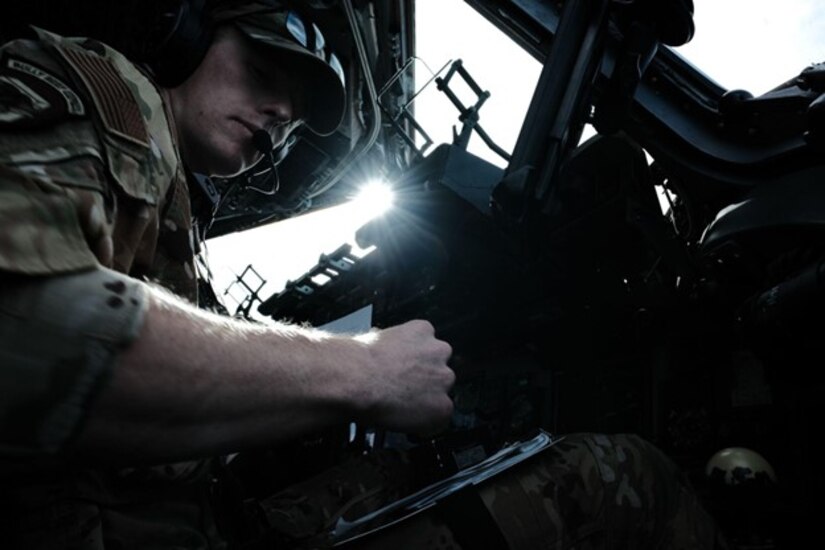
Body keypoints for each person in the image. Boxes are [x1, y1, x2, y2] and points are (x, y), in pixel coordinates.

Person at [0, 1, 725, 548]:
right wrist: (363, 371)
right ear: (185, 28)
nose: (284, 114)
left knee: (406, 474)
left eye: (300, 109)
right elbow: (22, 340)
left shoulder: (173, 202)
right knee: (621, 478)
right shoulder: (107, 95)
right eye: (266, 65)